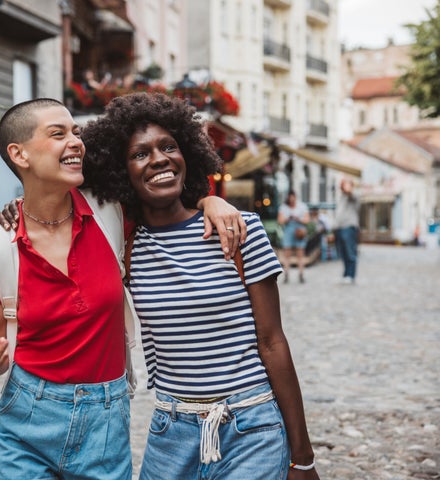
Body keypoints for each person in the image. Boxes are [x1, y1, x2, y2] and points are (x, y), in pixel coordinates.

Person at [0, 98, 245, 480]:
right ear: (19, 154)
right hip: (24, 420)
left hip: (104, 424)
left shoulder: (111, 213)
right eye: (58, 133)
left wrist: (210, 199)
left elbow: (164, 195)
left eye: (76, 132)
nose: (75, 141)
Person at [80, 92, 319, 479]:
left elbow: (273, 342)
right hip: (170, 433)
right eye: (140, 154)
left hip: (251, 426)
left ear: (187, 154)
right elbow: (60, 205)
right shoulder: (124, 247)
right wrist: (17, 211)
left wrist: (302, 457)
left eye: (168, 146)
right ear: (119, 172)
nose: (159, 159)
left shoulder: (239, 231)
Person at [278, 190, 310, 283]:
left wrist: (298, 219)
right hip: (288, 231)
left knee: (300, 253)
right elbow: (280, 220)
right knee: (287, 254)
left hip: (299, 231)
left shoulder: (302, 206)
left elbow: (307, 220)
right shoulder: (283, 207)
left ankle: (301, 274)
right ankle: (286, 274)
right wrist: (287, 219)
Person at [334, 177, 360, 284]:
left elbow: (351, 194)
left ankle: (351, 275)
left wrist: (347, 187)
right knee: (343, 253)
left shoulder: (354, 195)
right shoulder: (341, 197)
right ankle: (346, 274)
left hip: (349, 227)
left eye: (346, 184)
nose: (343, 186)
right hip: (339, 228)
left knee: (350, 252)